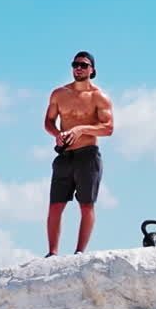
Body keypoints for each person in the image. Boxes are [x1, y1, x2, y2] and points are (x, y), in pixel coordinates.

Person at [43, 51, 114, 255]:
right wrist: (56, 134)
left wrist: (81, 129)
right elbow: (48, 121)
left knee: (86, 205)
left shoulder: (99, 97)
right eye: (75, 64)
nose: (79, 68)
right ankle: (52, 253)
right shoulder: (59, 94)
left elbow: (108, 128)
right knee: (55, 205)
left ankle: (80, 252)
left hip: (88, 155)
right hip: (64, 155)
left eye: (83, 65)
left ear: (92, 70)